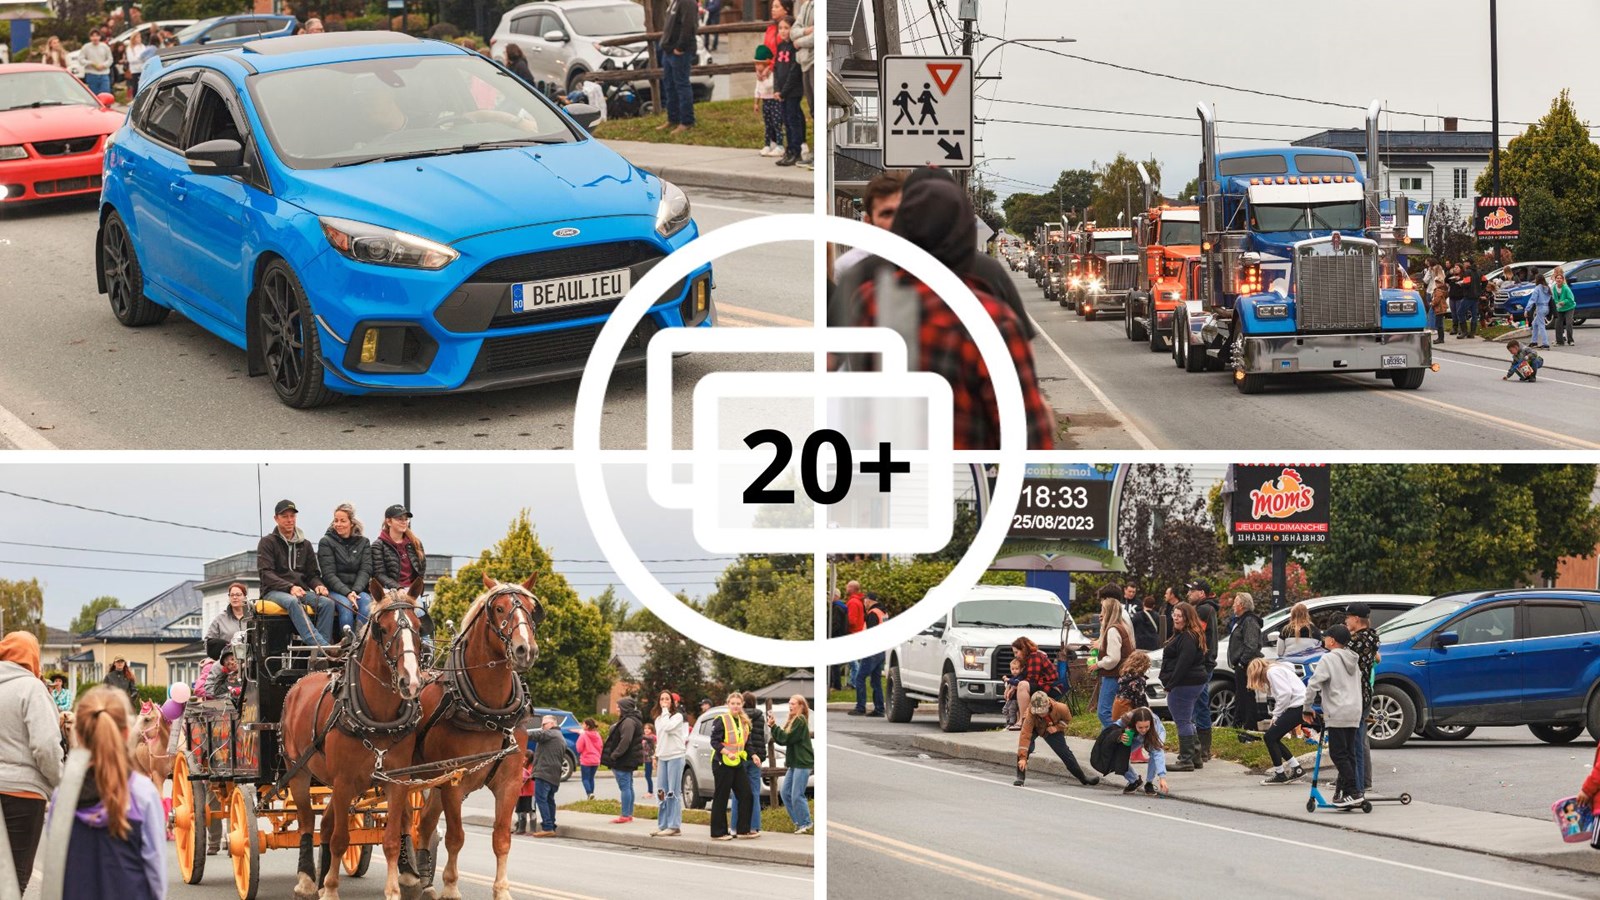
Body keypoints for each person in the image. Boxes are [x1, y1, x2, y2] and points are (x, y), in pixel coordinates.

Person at [845, 173, 1055, 449]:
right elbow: (1026, 433)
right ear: (965, 232)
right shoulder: (990, 319)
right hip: (967, 481)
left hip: (884, 476)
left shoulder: (868, 302)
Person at [51, 686, 167, 900]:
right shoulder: (143, 793)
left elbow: (55, 870)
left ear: (79, 733)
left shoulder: (63, 796)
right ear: (125, 732)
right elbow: (155, 874)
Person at [0, 631, 63, 895]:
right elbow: (46, 745)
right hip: (22, 795)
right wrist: (60, 781)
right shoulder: (32, 688)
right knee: (13, 882)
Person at [258, 499, 336, 648]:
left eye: (292, 516)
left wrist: (319, 585)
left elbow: (312, 574)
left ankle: (320, 654)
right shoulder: (267, 542)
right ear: (276, 519)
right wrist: (289, 587)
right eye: (285, 516)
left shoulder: (305, 544)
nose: (289, 520)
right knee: (292, 602)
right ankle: (323, 647)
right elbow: (266, 573)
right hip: (274, 592)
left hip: (301, 591)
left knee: (327, 603)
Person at [1304, 624, 1365, 807]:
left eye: (1326, 637)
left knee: (1338, 754)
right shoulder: (1353, 659)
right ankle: (1347, 793)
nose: (1324, 640)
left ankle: (1353, 791)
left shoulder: (1328, 659)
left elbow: (1313, 684)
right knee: (1349, 753)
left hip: (1338, 711)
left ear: (1332, 640)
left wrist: (1307, 707)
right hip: (1354, 711)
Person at [371, 504, 430, 647]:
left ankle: (426, 648)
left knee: (420, 610)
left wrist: (413, 590)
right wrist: (397, 588)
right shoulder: (378, 545)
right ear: (388, 521)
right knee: (383, 616)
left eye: (406, 519)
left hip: (410, 591)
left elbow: (420, 570)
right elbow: (379, 573)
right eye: (399, 519)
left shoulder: (415, 543)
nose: (404, 522)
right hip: (388, 591)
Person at [1159, 601, 1208, 772]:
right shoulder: (1190, 634)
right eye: (1174, 614)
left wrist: (1170, 684)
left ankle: (1185, 759)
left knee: (1182, 721)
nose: (1175, 618)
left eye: (1179, 616)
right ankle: (1195, 757)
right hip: (1192, 682)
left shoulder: (1187, 636)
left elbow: (1183, 663)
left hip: (1184, 683)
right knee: (1187, 720)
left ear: (1187, 618)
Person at [1014, 691, 1100, 788]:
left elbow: (1067, 720)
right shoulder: (1031, 714)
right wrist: (1022, 758)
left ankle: (1083, 778)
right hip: (1035, 727)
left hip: (1051, 729)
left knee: (1065, 753)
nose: (1041, 714)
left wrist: (1057, 728)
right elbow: (1025, 736)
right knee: (1026, 748)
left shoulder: (1061, 708)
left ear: (1048, 704)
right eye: (1038, 712)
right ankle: (1020, 777)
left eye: (1043, 711)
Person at [318, 503, 373, 642]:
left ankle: (360, 642)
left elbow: (365, 570)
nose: (338, 524)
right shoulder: (326, 542)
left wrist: (354, 591)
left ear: (351, 522)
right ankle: (347, 644)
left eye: (343, 521)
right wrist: (347, 593)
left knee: (366, 604)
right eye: (336, 520)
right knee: (346, 607)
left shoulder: (364, 542)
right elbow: (328, 574)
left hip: (357, 590)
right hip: (335, 590)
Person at [1248, 657, 1307, 785]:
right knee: (1273, 737)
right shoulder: (1277, 669)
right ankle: (1296, 769)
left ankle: (1280, 774)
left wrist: (1276, 715)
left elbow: (1285, 694)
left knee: (1269, 737)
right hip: (1299, 705)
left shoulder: (1272, 672)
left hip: (1297, 706)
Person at [1344, 603, 1381, 796]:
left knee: (1356, 740)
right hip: (1364, 692)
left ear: (1356, 619)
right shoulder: (1371, 637)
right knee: (1359, 738)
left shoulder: (1359, 640)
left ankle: (1358, 784)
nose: (1345, 621)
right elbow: (1377, 658)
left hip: (1358, 694)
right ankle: (1360, 780)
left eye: (1348, 617)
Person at [709, 692, 754, 840]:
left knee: (746, 794)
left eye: (738, 703)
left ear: (742, 705)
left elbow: (746, 743)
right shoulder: (721, 720)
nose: (735, 706)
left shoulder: (743, 722)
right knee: (721, 797)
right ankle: (718, 832)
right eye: (733, 703)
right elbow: (714, 742)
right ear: (728, 704)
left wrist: (753, 755)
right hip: (722, 763)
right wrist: (727, 753)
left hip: (737, 763)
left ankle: (743, 830)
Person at [1187, 580, 1221, 764]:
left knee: (1198, 705)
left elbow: (1194, 634)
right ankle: (1201, 749)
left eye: (1192, 591)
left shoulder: (1204, 610)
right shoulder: (1208, 609)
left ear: (1201, 593)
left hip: (1202, 663)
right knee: (1200, 703)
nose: (1189, 594)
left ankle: (1200, 749)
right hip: (1205, 663)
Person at [768, 695, 812, 834]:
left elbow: (786, 738)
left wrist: (773, 726)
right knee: (785, 793)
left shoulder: (800, 720)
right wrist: (774, 726)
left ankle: (806, 822)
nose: (790, 706)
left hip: (802, 762)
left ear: (801, 706)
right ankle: (798, 822)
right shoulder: (792, 720)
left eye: (793, 703)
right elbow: (782, 738)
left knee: (797, 795)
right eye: (789, 703)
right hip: (794, 763)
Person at [1093, 590, 1132, 728]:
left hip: (1113, 674)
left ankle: (1120, 735)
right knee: (1113, 711)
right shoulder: (1121, 626)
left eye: (1102, 609)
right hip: (1120, 674)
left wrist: (1098, 664)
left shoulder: (1113, 630)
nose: (1100, 613)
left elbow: (1113, 658)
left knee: (1103, 712)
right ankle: (1106, 745)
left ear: (1108, 611)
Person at [658, 0, 698, 134]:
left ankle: (687, 121)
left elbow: (689, 26)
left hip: (680, 52)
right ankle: (672, 118)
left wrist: (680, 47)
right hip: (669, 50)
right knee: (669, 85)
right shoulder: (674, 2)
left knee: (681, 85)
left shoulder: (687, 2)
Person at [651, 691, 688, 837]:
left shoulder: (677, 717)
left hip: (675, 756)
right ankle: (663, 824)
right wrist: (655, 755)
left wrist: (666, 710)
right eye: (662, 699)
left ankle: (674, 825)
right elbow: (660, 738)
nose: (664, 701)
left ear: (672, 702)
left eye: (667, 699)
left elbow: (668, 727)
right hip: (663, 756)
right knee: (661, 792)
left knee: (673, 792)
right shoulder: (659, 718)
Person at [1226, 592, 1265, 731]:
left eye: (1235, 602)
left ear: (1242, 605)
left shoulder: (1249, 621)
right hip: (1241, 664)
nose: (1233, 605)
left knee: (1247, 696)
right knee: (1240, 694)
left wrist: (1242, 662)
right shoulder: (1240, 620)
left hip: (1247, 665)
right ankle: (1237, 724)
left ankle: (1250, 726)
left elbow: (1251, 645)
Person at [601, 698, 643, 823]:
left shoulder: (628, 721)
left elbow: (626, 740)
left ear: (625, 707)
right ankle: (628, 814)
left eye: (619, 706)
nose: (617, 709)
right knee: (628, 786)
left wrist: (614, 755)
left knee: (625, 787)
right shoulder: (630, 719)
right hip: (628, 759)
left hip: (624, 760)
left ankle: (625, 815)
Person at [729, 692, 765, 835]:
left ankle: (735, 826)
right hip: (757, 757)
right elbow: (765, 736)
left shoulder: (739, 717)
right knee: (755, 793)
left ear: (742, 703)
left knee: (738, 793)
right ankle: (754, 826)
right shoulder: (760, 717)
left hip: (742, 756)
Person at [770, 17, 803, 167]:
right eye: (780, 28)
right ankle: (788, 151)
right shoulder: (780, 46)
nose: (783, 31)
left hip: (793, 92)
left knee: (793, 121)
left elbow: (794, 72)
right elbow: (776, 70)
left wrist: (784, 91)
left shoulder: (794, 47)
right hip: (781, 92)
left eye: (786, 28)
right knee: (786, 122)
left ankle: (796, 151)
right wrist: (776, 89)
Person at [1116, 706, 1168, 796]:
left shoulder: (1155, 726)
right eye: (1140, 727)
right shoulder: (1126, 719)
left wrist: (1162, 777)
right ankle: (1134, 781)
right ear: (1134, 723)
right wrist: (1119, 736)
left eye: (1146, 726)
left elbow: (1158, 754)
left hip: (1153, 734)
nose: (1144, 730)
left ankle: (1149, 783)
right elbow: (1112, 729)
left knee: (1154, 752)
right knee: (1117, 754)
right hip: (1135, 736)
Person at [526, 715, 564, 836]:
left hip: (544, 773)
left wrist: (520, 732)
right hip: (553, 774)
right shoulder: (559, 736)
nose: (542, 727)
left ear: (552, 724)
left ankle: (547, 827)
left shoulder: (551, 734)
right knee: (549, 800)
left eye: (544, 724)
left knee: (541, 799)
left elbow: (536, 735)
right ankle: (551, 826)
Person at [849, 594, 887, 717]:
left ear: (869, 601)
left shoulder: (872, 614)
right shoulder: (883, 612)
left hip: (872, 651)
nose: (864, 603)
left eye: (865, 601)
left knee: (859, 678)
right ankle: (880, 709)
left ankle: (860, 707)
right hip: (881, 651)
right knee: (876, 681)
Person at [789, 0, 815, 167]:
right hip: (804, 61)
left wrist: (799, 41)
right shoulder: (805, 6)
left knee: (819, 109)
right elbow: (793, 32)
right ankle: (814, 150)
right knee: (812, 109)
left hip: (814, 60)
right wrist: (806, 30)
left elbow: (817, 36)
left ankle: (818, 152)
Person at [1011, 636, 1058, 716]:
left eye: (1016, 652)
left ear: (1023, 649)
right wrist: (1011, 687)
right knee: (1018, 685)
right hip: (1040, 685)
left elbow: (1032, 679)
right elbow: (1021, 676)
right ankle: (1015, 719)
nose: (1015, 655)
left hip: (1050, 687)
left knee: (1022, 685)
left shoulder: (1035, 656)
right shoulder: (1026, 659)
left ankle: (1024, 719)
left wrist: (1015, 686)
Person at [753, 41, 780, 157]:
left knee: (776, 123)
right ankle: (768, 144)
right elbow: (757, 89)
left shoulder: (771, 73)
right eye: (756, 64)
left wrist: (763, 77)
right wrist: (756, 103)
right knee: (767, 123)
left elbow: (770, 85)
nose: (757, 67)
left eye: (760, 64)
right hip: (765, 101)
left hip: (773, 100)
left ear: (766, 63)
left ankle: (779, 144)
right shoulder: (759, 76)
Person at [1112, 649, 1152, 723]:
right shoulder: (1138, 681)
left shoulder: (1124, 677)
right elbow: (1140, 699)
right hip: (1128, 710)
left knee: (1122, 731)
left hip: (1118, 708)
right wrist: (1147, 712)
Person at [81, 30, 114, 96]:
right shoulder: (86, 47)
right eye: (93, 36)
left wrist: (104, 65)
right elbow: (81, 59)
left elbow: (110, 59)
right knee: (94, 95)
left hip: (104, 74)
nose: (95, 38)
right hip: (91, 74)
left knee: (105, 93)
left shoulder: (104, 46)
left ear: (99, 37)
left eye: (97, 36)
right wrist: (91, 63)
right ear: (90, 38)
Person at [576, 718, 602, 801]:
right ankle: (591, 795)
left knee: (585, 779)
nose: (582, 725)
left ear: (587, 726)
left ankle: (589, 793)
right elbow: (600, 746)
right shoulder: (597, 735)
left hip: (586, 760)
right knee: (591, 778)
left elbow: (579, 748)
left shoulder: (583, 735)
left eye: (583, 724)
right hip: (596, 760)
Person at [1524, 274, 1552, 349]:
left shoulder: (1537, 288)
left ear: (1537, 280)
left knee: (1541, 326)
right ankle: (1534, 341)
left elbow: (1532, 299)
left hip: (1540, 307)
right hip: (1546, 307)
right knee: (1534, 324)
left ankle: (1545, 343)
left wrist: (1527, 309)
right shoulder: (1547, 288)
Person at [124, 31, 154, 96]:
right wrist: (140, 58)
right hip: (135, 70)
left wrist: (142, 58)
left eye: (139, 37)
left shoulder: (142, 46)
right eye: (137, 37)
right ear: (133, 38)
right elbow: (131, 60)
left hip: (143, 69)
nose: (139, 38)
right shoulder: (130, 48)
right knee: (136, 86)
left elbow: (146, 55)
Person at [1552, 266, 1577, 346]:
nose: (1559, 280)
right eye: (1557, 278)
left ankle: (1570, 340)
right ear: (1555, 280)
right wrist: (1558, 303)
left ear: (1563, 280)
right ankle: (1559, 341)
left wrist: (1564, 302)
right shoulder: (1554, 288)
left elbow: (1571, 299)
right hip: (1560, 308)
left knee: (1569, 323)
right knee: (1558, 323)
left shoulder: (1566, 288)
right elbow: (1555, 298)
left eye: (1560, 278)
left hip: (1569, 307)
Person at [514, 752, 535, 835]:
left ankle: (533, 829)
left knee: (531, 810)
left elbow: (528, 774)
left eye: (526, 757)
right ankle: (521, 828)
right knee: (520, 810)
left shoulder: (531, 767)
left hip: (530, 793)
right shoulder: (521, 766)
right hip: (520, 793)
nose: (524, 758)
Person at [1001, 656, 1025, 730]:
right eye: (1012, 669)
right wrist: (1005, 680)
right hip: (1010, 698)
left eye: (1016, 669)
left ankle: (1012, 723)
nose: (1014, 671)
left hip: (1015, 699)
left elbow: (1015, 683)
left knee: (1012, 710)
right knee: (1005, 710)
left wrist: (1008, 679)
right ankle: (1008, 721)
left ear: (1021, 669)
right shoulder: (1013, 677)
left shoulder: (1020, 677)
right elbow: (1010, 682)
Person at [641, 722, 656, 795]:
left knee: (648, 776)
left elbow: (645, 737)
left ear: (652, 730)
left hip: (650, 759)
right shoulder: (644, 738)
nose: (646, 730)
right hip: (646, 760)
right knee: (647, 776)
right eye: (645, 728)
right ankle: (650, 791)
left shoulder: (651, 737)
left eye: (648, 728)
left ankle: (650, 792)